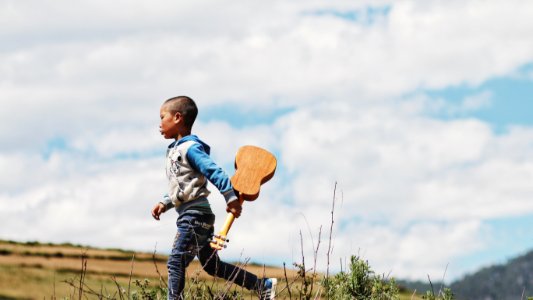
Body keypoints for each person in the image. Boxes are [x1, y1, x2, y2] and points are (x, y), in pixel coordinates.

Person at [151, 96, 277, 300]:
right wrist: (164, 202)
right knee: (211, 265)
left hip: (193, 216)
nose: (159, 123)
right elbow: (181, 184)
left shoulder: (190, 148)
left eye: (162, 117)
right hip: (197, 215)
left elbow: (214, 171)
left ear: (177, 117)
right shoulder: (175, 150)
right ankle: (262, 285)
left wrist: (230, 198)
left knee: (176, 261)